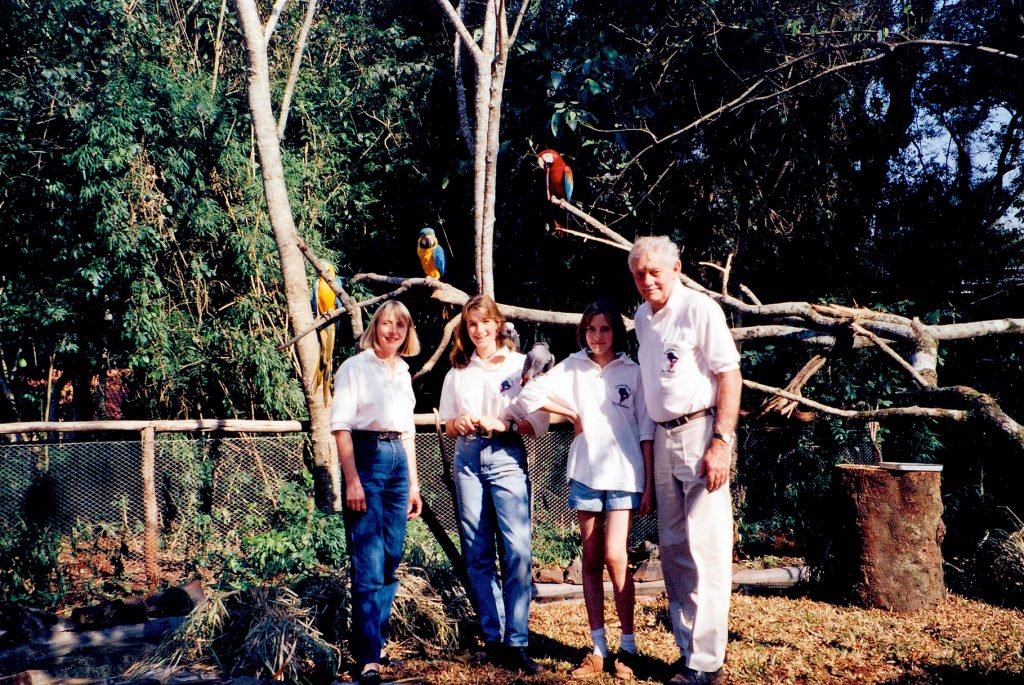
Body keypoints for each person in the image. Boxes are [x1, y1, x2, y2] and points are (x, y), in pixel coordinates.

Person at [516, 299, 655, 681]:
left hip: (626, 475)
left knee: (615, 555)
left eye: (605, 329)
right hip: (585, 474)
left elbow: (645, 430)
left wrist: (648, 485)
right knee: (591, 559)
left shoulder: (634, 372)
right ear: (583, 331)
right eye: (591, 329)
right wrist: (573, 413)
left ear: (616, 332)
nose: (598, 337)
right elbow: (527, 395)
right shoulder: (573, 367)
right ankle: (598, 648)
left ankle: (628, 647)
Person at [628, 237, 742, 685]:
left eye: (655, 271)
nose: (647, 280)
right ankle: (688, 650)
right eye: (639, 273)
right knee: (674, 547)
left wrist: (721, 441)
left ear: (676, 267)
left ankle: (708, 661)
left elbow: (729, 374)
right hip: (662, 434)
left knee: (707, 548)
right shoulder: (641, 318)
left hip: (701, 432)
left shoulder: (700, 309)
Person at [438, 295, 550, 675]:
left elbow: (539, 421)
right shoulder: (458, 372)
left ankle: (518, 640)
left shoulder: (521, 366)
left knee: (517, 549)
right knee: (478, 552)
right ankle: (495, 637)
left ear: (498, 323)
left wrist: (507, 424)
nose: (479, 330)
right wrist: (461, 424)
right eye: (471, 325)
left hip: (505, 457)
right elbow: (447, 423)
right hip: (467, 459)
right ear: (465, 331)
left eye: (485, 322)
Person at [330, 301, 424, 685]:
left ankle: (376, 639)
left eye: (400, 324)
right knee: (367, 559)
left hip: (398, 460)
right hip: (365, 458)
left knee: (392, 554)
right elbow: (340, 427)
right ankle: (368, 656)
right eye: (387, 322)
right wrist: (352, 480)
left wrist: (414, 483)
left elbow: (408, 432)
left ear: (407, 332)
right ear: (376, 326)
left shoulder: (402, 371)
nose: (393, 330)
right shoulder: (354, 367)